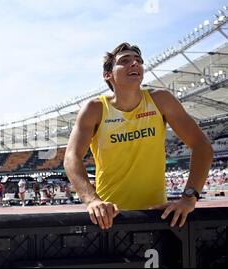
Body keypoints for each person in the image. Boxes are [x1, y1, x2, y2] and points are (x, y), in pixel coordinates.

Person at [64, 42, 213, 230]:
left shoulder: (160, 100)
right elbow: (71, 157)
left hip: (157, 216)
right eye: (125, 61)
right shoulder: (95, 109)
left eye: (138, 61)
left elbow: (202, 145)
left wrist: (189, 198)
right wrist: (92, 200)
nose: (135, 64)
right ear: (108, 75)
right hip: (111, 217)